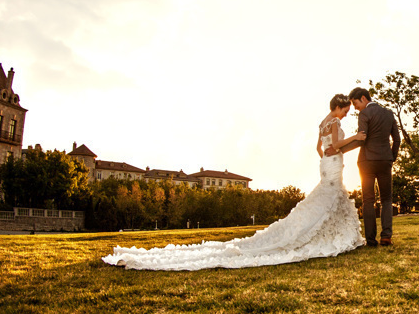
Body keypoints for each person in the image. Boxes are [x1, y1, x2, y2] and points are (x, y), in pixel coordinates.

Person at [101, 94, 366, 270]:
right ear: (339, 106)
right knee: (330, 199)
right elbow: (338, 143)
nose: (346, 114)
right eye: (346, 110)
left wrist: (329, 155)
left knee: (326, 200)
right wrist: (356, 137)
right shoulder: (333, 121)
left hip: (325, 164)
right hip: (333, 165)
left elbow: (320, 149)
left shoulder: (321, 122)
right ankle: (334, 236)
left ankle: (330, 232)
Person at [339, 87, 400, 247]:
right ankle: (386, 236)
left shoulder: (365, 114)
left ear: (364, 98)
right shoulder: (389, 114)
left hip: (367, 161)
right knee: (387, 199)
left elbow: (361, 139)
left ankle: (371, 240)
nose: (354, 106)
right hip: (385, 160)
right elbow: (397, 139)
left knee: (368, 200)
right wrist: (392, 156)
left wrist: (340, 150)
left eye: (355, 102)